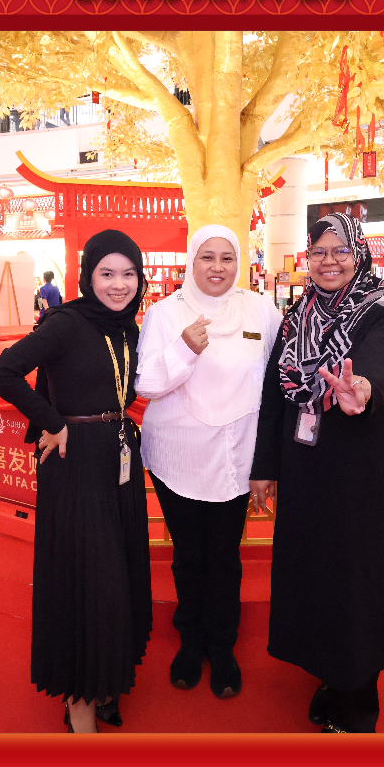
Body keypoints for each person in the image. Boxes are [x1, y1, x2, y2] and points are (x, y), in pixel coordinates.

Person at [249, 213, 384, 733]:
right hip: (308, 471)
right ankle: (331, 673)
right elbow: (274, 396)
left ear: (359, 254)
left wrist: (361, 387)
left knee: (358, 578)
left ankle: (357, 702)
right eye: (319, 252)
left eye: (340, 251)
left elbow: (383, 356)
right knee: (318, 573)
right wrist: (264, 467)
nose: (329, 262)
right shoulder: (297, 316)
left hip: (365, 476)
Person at [0, 230, 153, 733]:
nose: (119, 284)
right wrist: (52, 421)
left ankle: (106, 681)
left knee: (119, 576)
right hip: (75, 463)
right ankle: (79, 703)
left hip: (119, 459)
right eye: (107, 273)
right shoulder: (66, 322)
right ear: (87, 276)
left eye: (129, 274)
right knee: (87, 582)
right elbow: (2, 372)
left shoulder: (128, 328)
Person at [135, 225, 281, 700]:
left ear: (239, 262)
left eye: (227, 258)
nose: (217, 267)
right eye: (207, 257)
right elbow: (146, 384)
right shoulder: (165, 313)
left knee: (224, 556)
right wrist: (184, 348)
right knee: (188, 554)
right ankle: (190, 640)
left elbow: (277, 384)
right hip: (178, 457)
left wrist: (267, 463)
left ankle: (222, 647)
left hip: (237, 456)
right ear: (191, 261)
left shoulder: (260, 309)